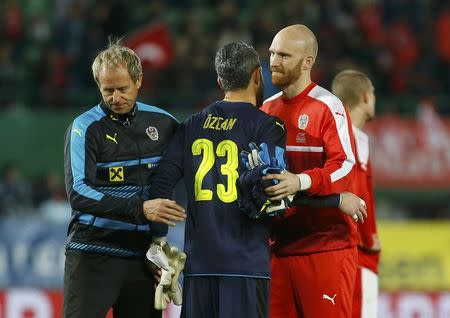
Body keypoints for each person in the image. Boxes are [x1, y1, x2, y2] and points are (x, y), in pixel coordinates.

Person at [148, 41, 366, 318]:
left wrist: (158, 244)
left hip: (198, 266)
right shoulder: (266, 125)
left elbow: (160, 187)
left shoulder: (190, 125)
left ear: (219, 80)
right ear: (256, 75)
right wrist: (336, 200)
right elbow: (277, 194)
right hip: (245, 266)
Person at [63, 40, 186, 318]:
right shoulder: (85, 128)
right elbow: (79, 192)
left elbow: (174, 177)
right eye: (108, 90)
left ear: (139, 81)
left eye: (122, 89)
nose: (115, 97)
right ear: (98, 85)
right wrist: (141, 208)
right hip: (93, 253)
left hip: (143, 258)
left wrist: (159, 242)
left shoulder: (164, 123)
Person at [260, 25, 360, 317]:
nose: (274, 61)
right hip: (278, 249)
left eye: (284, 55)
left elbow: (345, 167)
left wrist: (300, 181)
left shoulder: (328, 107)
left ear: (307, 62)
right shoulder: (266, 110)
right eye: (272, 53)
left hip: (325, 247)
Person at [332, 70, 381, 318]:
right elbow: (355, 193)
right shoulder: (352, 138)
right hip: (356, 254)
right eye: (372, 92)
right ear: (364, 96)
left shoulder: (338, 135)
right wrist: (369, 237)